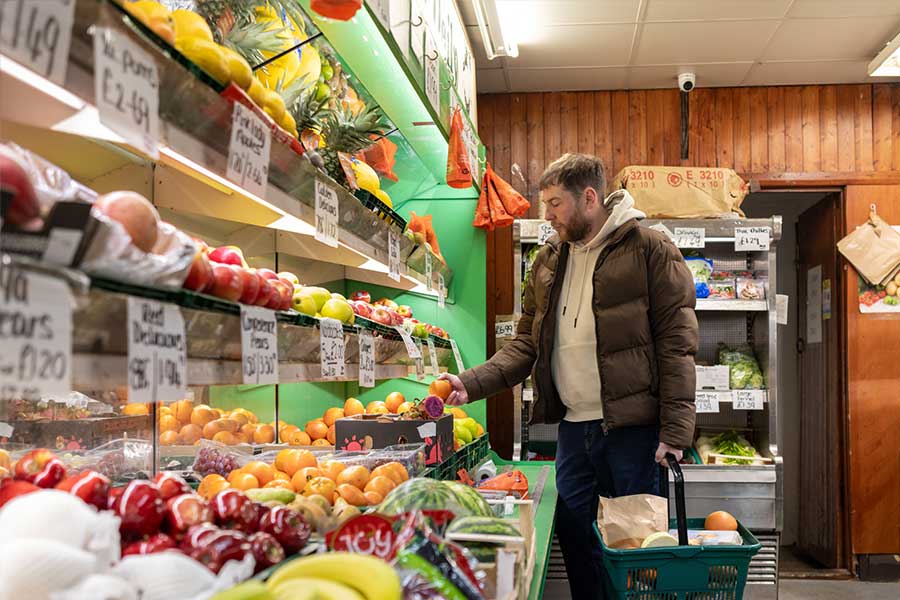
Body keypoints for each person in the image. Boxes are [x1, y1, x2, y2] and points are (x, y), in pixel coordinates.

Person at [439, 153, 698, 598]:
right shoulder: (548, 260)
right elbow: (526, 344)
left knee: (633, 547)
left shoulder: (651, 250)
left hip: (633, 433)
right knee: (577, 540)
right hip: (573, 431)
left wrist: (675, 431)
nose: (548, 214)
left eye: (555, 203)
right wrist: (471, 381)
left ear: (590, 198)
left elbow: (677, 345)